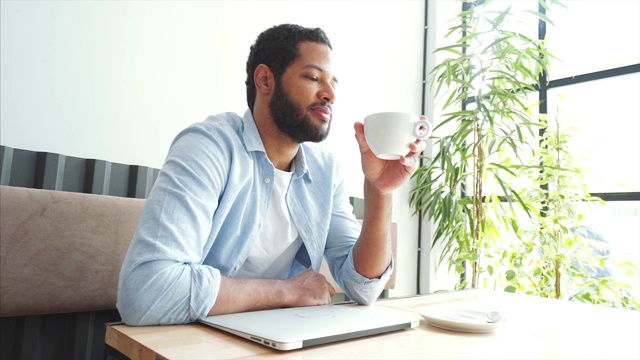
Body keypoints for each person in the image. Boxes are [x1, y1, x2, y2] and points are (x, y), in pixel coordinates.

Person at [116, 23, 426, 326]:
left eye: (333, 83)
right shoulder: (208, 147)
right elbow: (147, 292)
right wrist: (287, 291)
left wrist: (379, 190)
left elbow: (364, 287)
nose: (330, 94)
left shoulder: (325, 171)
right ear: (265, 80)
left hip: (283, 337)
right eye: (313, 77)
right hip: (197, 339)